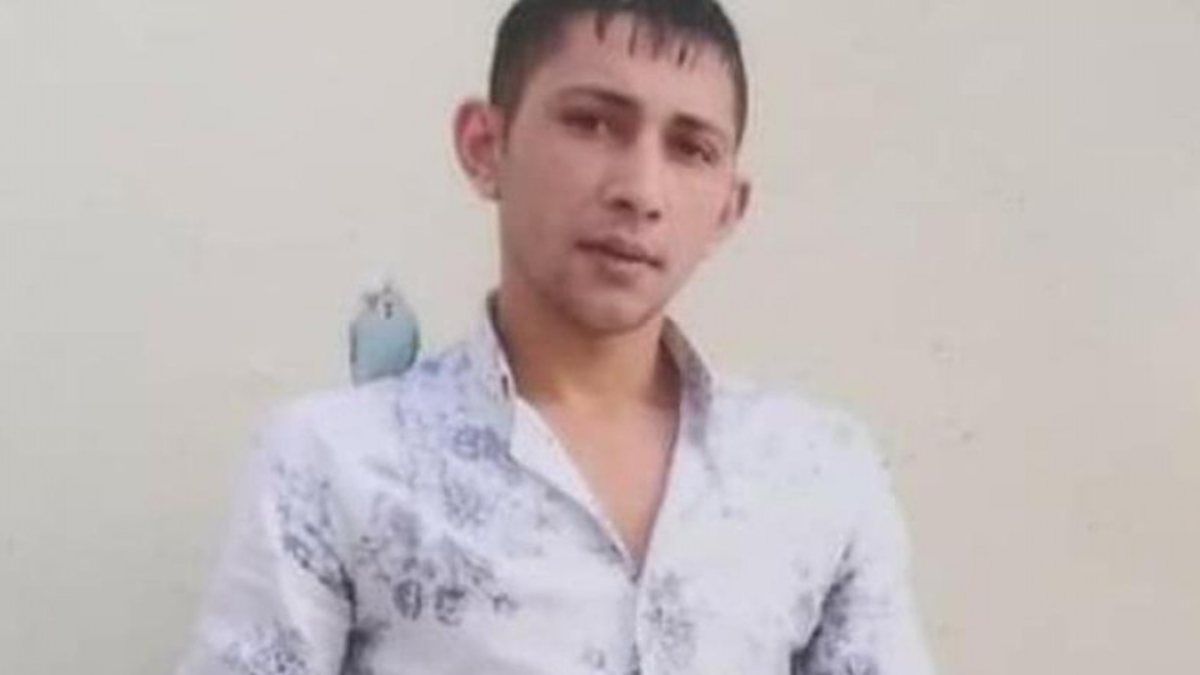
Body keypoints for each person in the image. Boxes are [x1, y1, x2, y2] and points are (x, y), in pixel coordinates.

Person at [177, 1, 937, 673]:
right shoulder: (334, 462)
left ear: (728, 209)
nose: (640, 191)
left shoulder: (817, 473)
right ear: (485, 146)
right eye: (593, 123)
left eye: (691, 148)